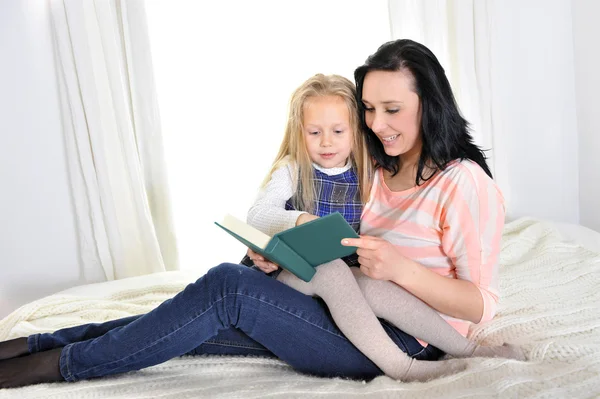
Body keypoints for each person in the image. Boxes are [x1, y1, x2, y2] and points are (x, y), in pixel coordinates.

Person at [0, 39, 523, 389]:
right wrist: (279, 254)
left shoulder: (463, 184)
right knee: (187, 316)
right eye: (368, 109)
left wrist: (401, 269)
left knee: (226, 286)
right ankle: (35, 347)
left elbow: (482, 304)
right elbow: (316, 224)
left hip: (404, 335)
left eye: (392, 110)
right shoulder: (375, 168)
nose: (376, 123)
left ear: (429, 104)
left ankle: (51, 365)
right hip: (340, 308)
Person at [243, 73, 524, 381]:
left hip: (340, 278)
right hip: (291, 275)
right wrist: (297, 222)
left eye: (338, 130)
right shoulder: (293, 171)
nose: (326, 142)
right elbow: (258, 214)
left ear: (355, 132)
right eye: (314, 132)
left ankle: (471, 351)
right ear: (299, 133)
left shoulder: (366, 172)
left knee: (372, 284)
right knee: (333, 271)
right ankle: (402, 366)